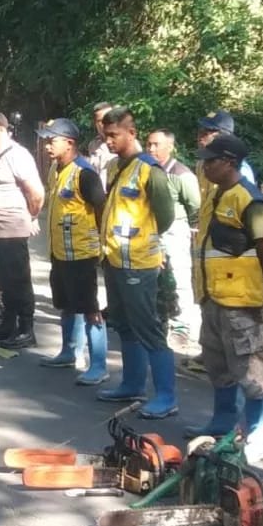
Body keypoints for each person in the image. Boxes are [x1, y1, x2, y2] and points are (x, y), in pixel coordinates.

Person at [184, 135, 263, 462]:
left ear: (228, 162)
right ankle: (223, 423)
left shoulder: (250, 200)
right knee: (218, 364)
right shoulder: (215, 195)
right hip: (213, 298)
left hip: (239, 302)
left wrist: (256, 278)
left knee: (252, 371)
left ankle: (258, 437)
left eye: (210, 160)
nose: (204, 165)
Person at [95, 108, 178, 418]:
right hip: (114, 260)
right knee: (124, 326)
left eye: (114, 135)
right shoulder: (115, 166)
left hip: (139, 264)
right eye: (105, 136)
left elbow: (165, 216)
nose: (109, 141)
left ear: (132, 133)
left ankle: (167, 396)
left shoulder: (149, 169)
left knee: (148, 328)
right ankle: (132, 384)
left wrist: (143, 242)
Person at [36, 118, 108, 382]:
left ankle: (98, 365)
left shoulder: (84, 173)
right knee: (66, 304)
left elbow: (103, 208)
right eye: (46, 141)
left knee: (89, 307)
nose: (46, 146)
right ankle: (69, 352)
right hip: (60, 252)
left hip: (82, 254)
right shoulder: (57, 169)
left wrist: (102, 245)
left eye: (51, 141)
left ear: (69, 143)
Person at [0, 110, 44, 349]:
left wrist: (32, 216)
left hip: (13, 229)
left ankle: (26, 329)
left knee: (19, 280)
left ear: (2, 130)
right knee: (4, 280)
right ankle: (8, 323)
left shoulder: (17, 155)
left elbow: (36, 193)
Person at [146, 128, 201, 353]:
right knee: (154, 279)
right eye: (148, 144)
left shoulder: (181, 174)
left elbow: (194, 205)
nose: (151, 149)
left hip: (175, 233)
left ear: (170, 146)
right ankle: (159, 322)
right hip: (151, 232)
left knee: (178, 279)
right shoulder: (147, 170)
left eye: (156, 145)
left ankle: (181, 328)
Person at [86, 102, 116, 187]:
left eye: (107, 119)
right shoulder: (93, 145)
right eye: (99, 121)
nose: (103, 124)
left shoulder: (124, 143)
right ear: (95, 123)